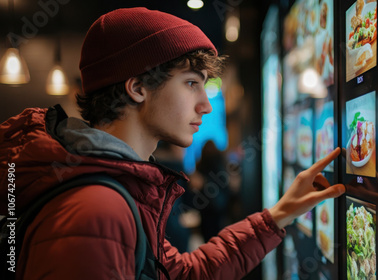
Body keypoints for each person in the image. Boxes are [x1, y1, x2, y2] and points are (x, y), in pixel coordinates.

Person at [0, 7, 345, 280]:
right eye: (191, 83)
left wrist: (280, 213)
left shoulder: (119, 186)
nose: (205, 105)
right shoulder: (98, 209)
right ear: (137, 88)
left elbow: (181, 274)